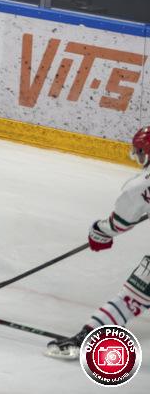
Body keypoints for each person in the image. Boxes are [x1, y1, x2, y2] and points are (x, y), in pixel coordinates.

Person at [46, 125, 150, 359]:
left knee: (130, 299)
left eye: (141, 151)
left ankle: (86, 338)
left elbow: (120, 223)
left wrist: (99, 232)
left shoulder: (141, 185)